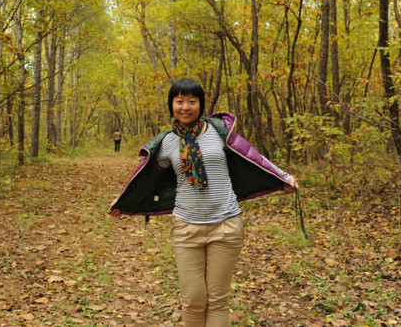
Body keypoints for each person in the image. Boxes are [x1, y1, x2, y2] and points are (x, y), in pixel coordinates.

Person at [109, 78, 299, 327]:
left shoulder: (219, 131)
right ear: (172, 105)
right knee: (193, 299)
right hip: (186, 228)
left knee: (218, 300)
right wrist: (124, 200)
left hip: (226, 226)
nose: (185, 107)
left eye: (191, 101)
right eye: (179, 101)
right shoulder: (167, 142)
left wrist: (283, 176)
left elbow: (253, 156)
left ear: (201, 104)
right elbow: (147, 178)